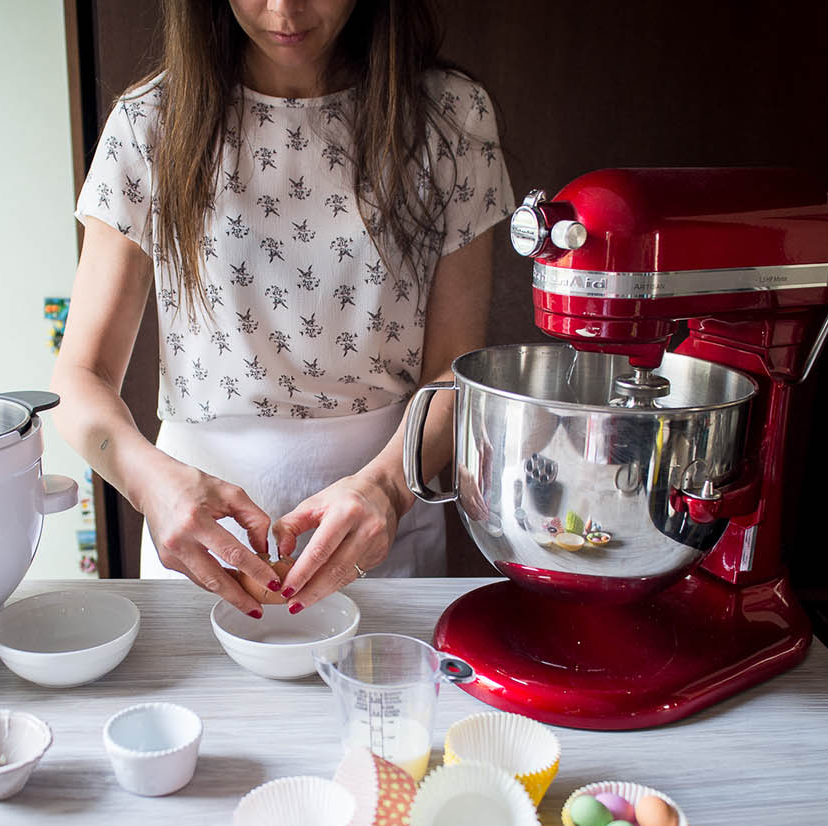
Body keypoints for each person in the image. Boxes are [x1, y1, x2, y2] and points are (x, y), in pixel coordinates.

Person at [50, 0, 511, 619]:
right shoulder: (151, 123)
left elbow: (456, 371)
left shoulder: (450, 118)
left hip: (378, 517)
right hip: (198, 529)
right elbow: (79, 378)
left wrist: (388, 491)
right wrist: (149, 483)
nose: (284, 9)